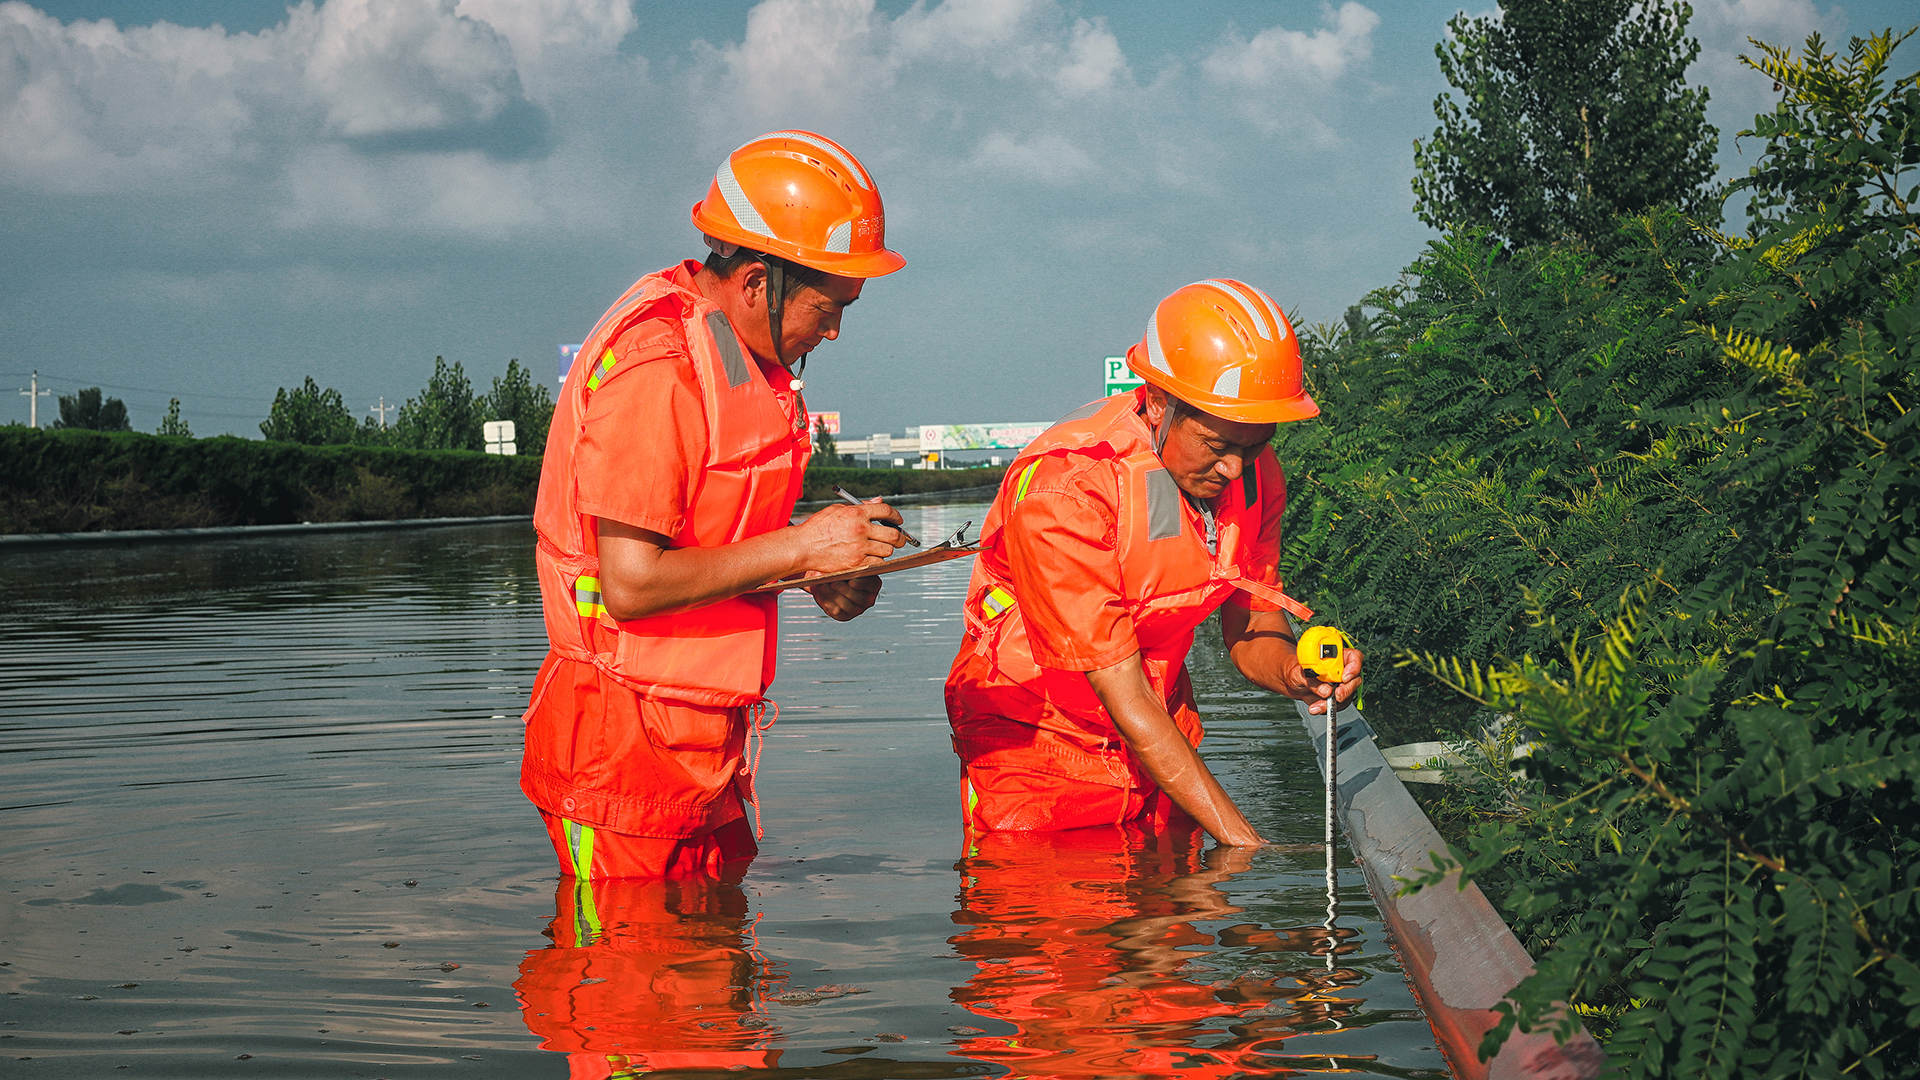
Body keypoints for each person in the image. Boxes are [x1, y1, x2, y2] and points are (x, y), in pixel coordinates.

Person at [522, 130, 908, 880]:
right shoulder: (658, 368)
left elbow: (718, 555)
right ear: (759, 281)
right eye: (828, 307)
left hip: (700, 745)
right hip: (621, 751)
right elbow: (630, 585)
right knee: (626, 983)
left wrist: (824, 574)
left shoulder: (745, 365)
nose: (833, 331)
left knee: (715, 978)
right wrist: (802, 549)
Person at [944, 278, 1363, 845]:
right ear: (1160, 402)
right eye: (1217, 446)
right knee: (1044, 916)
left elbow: (1252, 621)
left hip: (1163, 737)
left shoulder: (1257, 480)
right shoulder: (1068, 490)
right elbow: (1123, 693)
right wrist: (1247, 845)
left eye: (1255, 445)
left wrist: (1294, 673)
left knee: (1171, 917)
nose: (1236, 470)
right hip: (1035, 741)